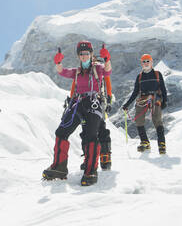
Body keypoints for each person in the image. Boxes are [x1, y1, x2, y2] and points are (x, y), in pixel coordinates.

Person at [42, 41, 112, 186]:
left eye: (87, 53)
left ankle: (90, 171)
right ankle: (59, 167)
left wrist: (107, 59)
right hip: (78, 103)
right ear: (78, 56)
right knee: (61, 131)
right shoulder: (77, 72)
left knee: (91, 135)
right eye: (81, 54)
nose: (84, 56)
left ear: (91, 54)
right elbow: (62, 71)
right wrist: (58, 62)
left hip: (94, 103)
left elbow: (108, 71)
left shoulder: (98, 68)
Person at [122, 54, 168, 154]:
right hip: (143, 98)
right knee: (139, 119)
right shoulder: (139, 77)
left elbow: (163, 89)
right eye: (144, 61)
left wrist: (165, 101)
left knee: (157, 119)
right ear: (141, 64)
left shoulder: (157, 74)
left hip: (155, 97)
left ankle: (161, 144)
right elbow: (135, 92)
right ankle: (145, 142)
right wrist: (127, 104)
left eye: (148, 61)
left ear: (152, 63)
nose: (146, 63)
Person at [79, 53, 113, 171]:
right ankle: (102, 156)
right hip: (90, 100)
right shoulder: (84, 70)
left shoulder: (98, 69)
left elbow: (107, 82)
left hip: (97, 100)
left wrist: (108, 99)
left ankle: (99, 156)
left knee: (93, 127)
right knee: (94, 128)